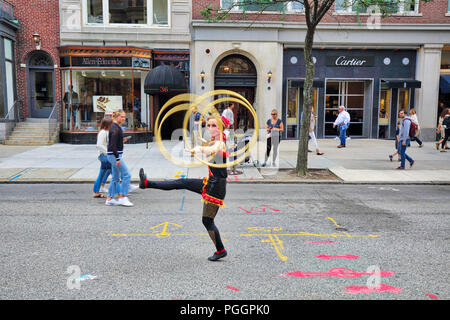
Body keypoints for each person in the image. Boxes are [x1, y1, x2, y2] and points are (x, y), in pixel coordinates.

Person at [139, 115, 229, 261]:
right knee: (181, 182)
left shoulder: (221, 143)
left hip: (216, 188)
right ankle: (146, 183)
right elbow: (210, 146)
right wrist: (202, 144)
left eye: (215, 126)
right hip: (211, 183)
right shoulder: (216, 141)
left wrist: (198, 148)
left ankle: (221, 250)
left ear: (221, 128)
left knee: (207, 221)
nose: (211, 128)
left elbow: (213, 148)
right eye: (209, 125)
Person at [105, 110, 133, 206]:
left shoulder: (115, 127)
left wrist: (121, 141)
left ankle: (110, 198)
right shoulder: (115, 128)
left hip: (113, 155)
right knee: (127, 175)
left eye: (124, 117)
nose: (123, 119)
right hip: (114, 156)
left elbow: (114, 143)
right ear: (116, 117)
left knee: (115, 178)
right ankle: (123, 197)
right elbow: (112, 145)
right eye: (121, 117)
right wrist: (117, 158)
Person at [93, 118, 112, 198]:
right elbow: (99, 145)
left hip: (106, 155)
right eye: (111, 124)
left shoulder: (107, 132)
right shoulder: (103, 132)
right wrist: (108, 152)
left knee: (103, 173)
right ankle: (121, 192)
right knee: (115, 172)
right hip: (104, 155)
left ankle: (96, 191)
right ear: (107, 125)